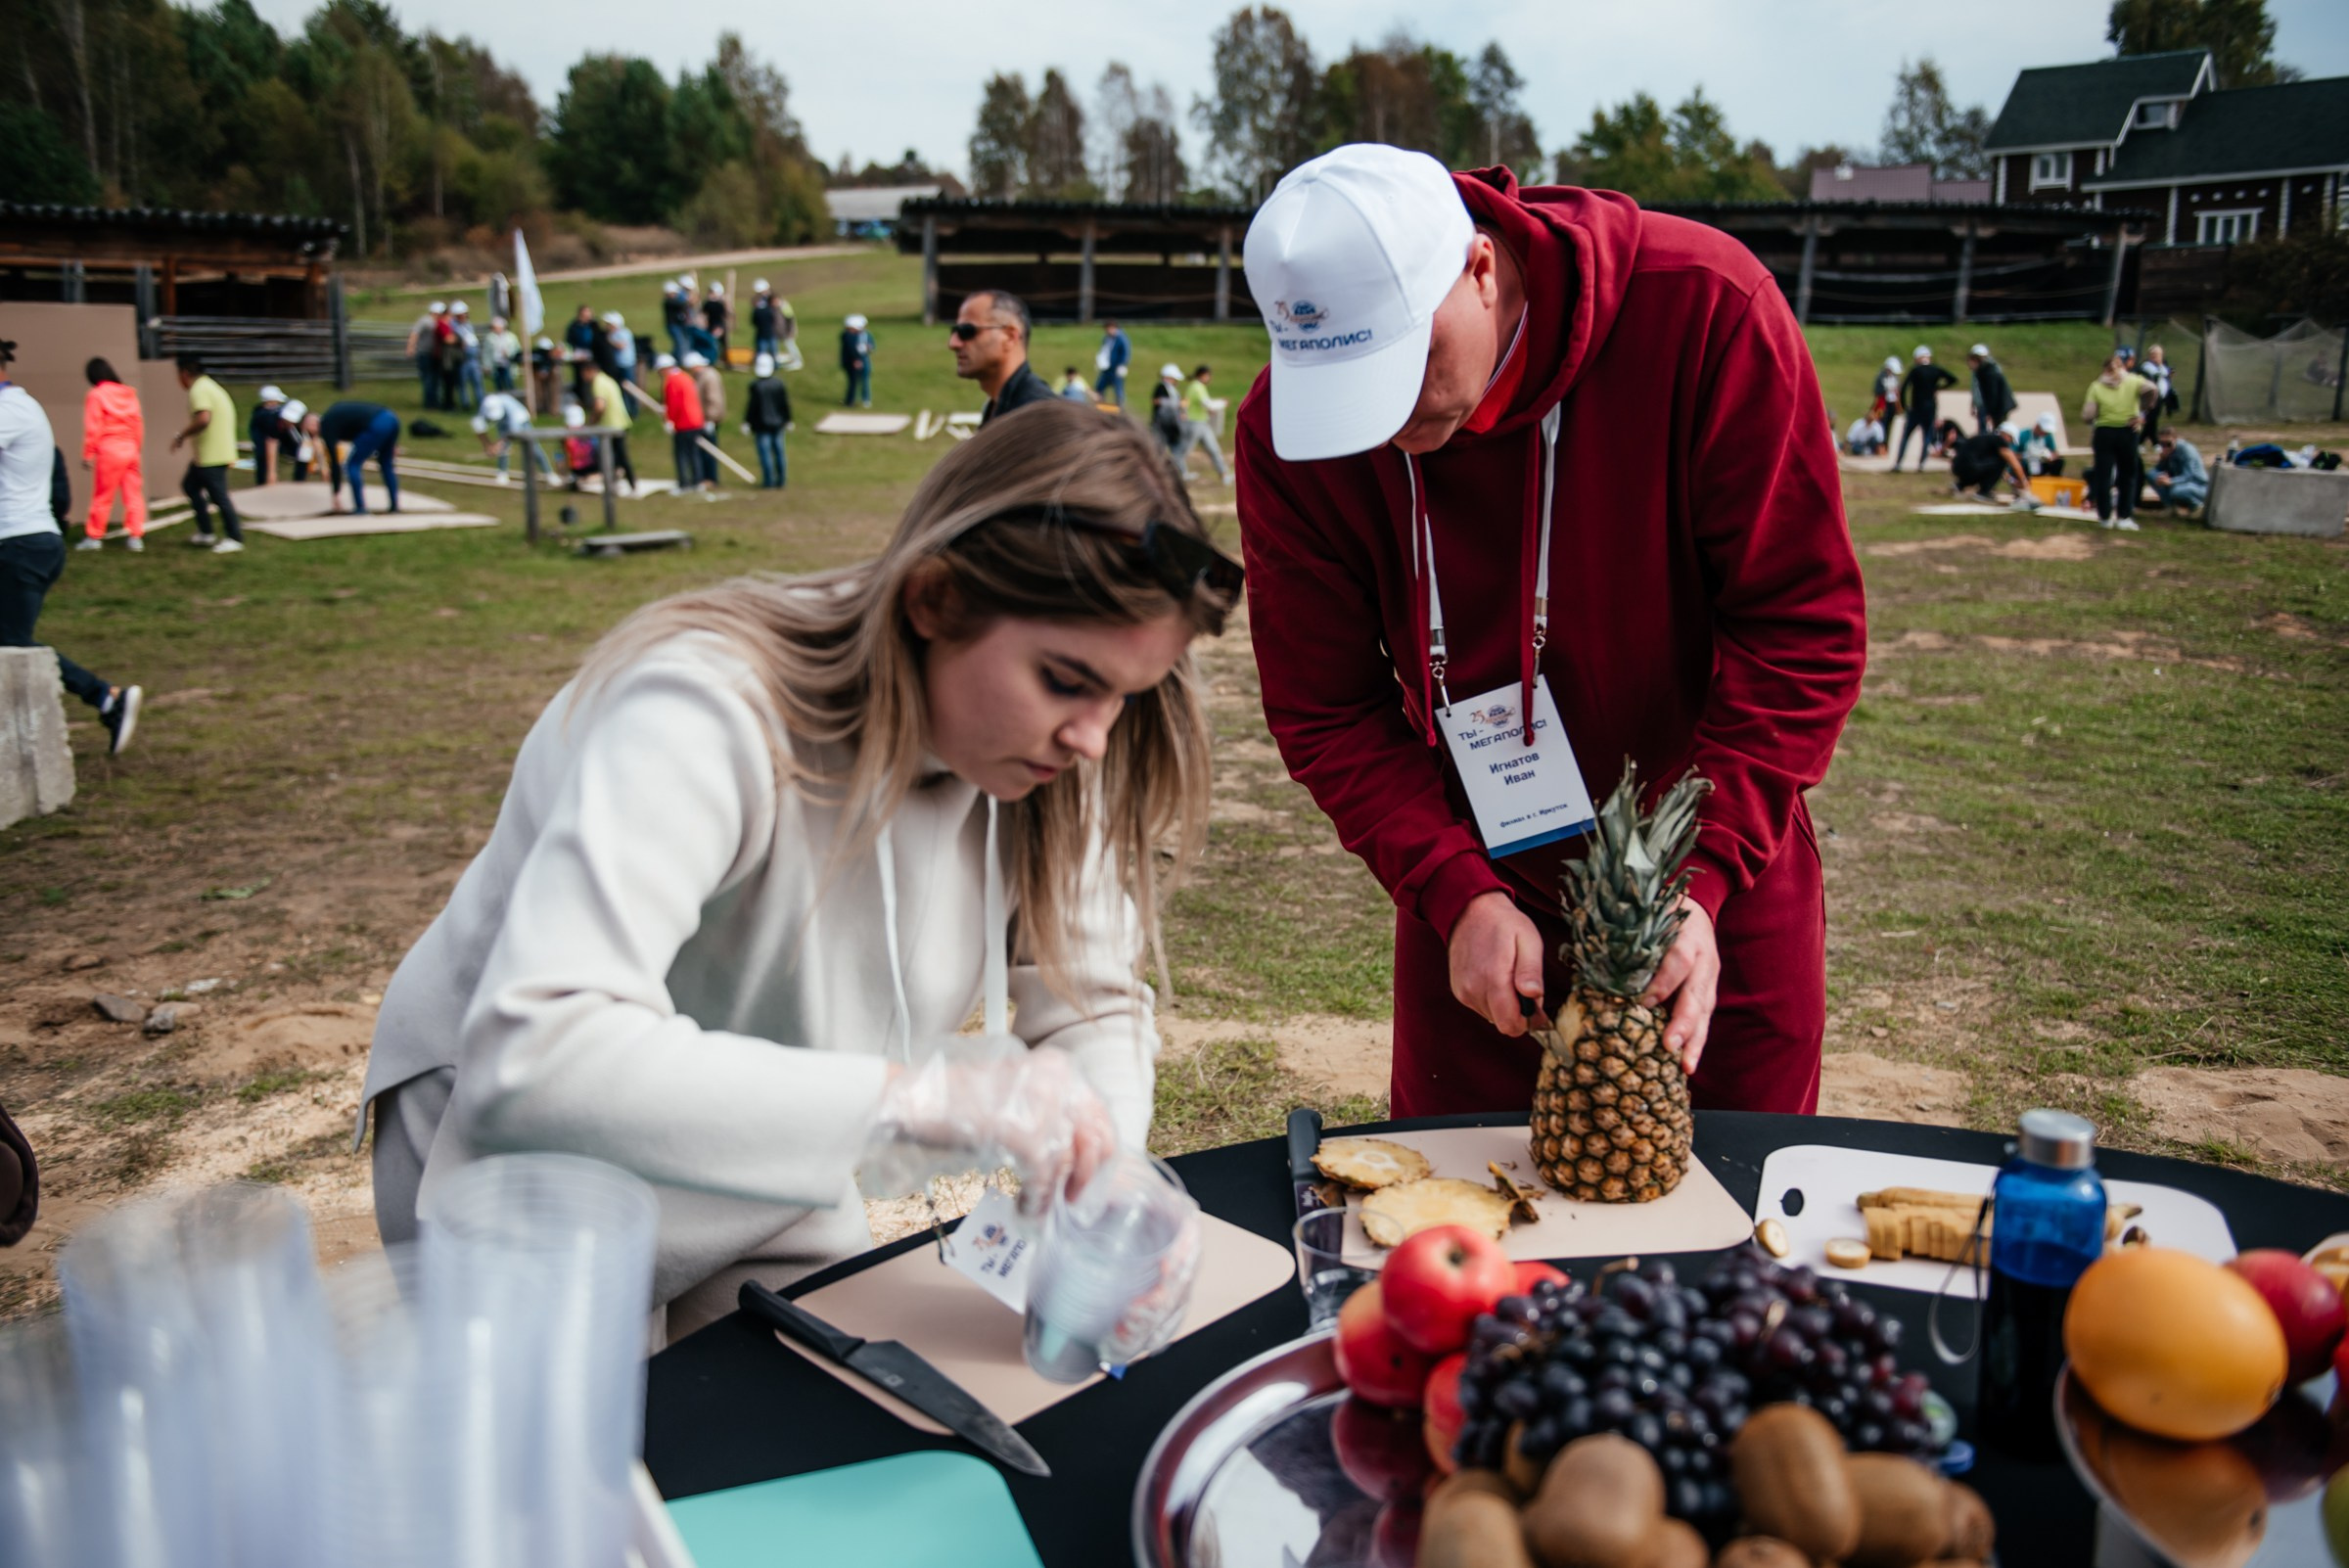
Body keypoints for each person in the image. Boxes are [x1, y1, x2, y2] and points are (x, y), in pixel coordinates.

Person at [356, 401, 1237, 1338]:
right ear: (934, 598)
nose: (1095, 737)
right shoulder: (702, 709)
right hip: (523, 1163)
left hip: (775, 1152)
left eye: (1123, 694)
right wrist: (930, 1102)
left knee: (808, 1431)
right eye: (1065, 679)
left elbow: (1091, 998)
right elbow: (538, 1057)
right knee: (574, 1466)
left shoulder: (1064, 740)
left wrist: (1104, 1178)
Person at [1235, 144, 1865, 1120]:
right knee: (1470, 1233)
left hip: (1714, 879)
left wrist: (1702, 877)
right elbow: (1324, 708)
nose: (1385, 416)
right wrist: (1453, 889)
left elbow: (1801, 627)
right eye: (1350, 384)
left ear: (1481, 268)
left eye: (1405, 364)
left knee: (1735, 1242)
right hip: (1478, 893)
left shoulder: (1707, 308)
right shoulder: (1293, 435)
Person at [0, 340, 141, 754]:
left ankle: (104, 696)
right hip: (23, 542)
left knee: (11, 644)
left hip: (20, 545)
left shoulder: (11, 410)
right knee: (9, 642)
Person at [170, 353, 245, 554]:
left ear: (184, 373)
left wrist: (182, 435)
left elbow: (203, 418)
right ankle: (206, 532)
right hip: (210, 454)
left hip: (212, 455)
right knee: (190, 486)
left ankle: (234, 537)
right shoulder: (209, 385)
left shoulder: (199, 390)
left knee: (219, 496)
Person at [952, 290, 1052, 424]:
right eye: (955, 332)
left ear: (1010, 337)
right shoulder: (1000, 406)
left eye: (967, 331)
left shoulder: (1039, 415)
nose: (953, 343)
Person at [80, 358, 146, 550]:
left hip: (109, 450)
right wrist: (136, 447)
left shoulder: (96, 395)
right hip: (131, 449)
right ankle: (136, 537)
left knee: (103, 496)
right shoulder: (129, 393)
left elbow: (93, 427)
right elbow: (137, 424)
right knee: (133, 495)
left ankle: (94, 537)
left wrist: (87, 454)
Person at [2082, 350, 2150, 531]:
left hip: (2104, 432)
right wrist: (2142, 412)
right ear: (2121, 366)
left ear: (2104, 369)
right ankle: (2124, 517)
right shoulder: (2134, 380)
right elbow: (2153, 390)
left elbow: (2087, 414)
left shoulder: (2096, 386)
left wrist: (2094, 420)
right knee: (2127, 475)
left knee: (2103, 475)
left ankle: (2104, 517)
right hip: (2128, 430)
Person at [305, 401, 402, 515]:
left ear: (313, 424)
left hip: (376, 424)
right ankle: (395, 506)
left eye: (309, 430)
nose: (312, 435)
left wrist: (336, 492)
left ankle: (360, 508)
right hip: (391, 418)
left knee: (352, 464)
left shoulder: (327, 425)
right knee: (386, 463)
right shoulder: (334, 415)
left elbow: (334, 462)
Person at [1892, 346, 1957, 471]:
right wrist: (1939, 387)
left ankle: (1898, 463)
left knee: (1906, 436)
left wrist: (1904, 406)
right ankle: (1921, 464)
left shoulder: (1915, 370)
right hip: (1930, 408)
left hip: (1916, 408)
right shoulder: (1935, 370)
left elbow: (1904, 387)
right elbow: (1953, 379)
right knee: (1926, 436)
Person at [1949, 422, 2038, 506]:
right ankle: (1983, 492)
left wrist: (2013, 481)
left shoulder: (1987, 438)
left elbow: (1995, 470)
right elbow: (2014, 464)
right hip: (1970, 466)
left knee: (1989, 464)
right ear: (2007, 435)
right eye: (2011, 439)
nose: (2009, 443)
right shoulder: (1999, 440)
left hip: (1958, 467)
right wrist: (2025, 484)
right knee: (2002, 460)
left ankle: (1960, 485)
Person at [473, 389, 549, 483]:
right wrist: (488, 445)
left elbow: (513, 431)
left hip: (522, 421)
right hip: (505, 422)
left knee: (534, 447)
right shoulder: (486, 405)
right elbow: (478, 426)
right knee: (503, 449)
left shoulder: (512, 410)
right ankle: (502, 473)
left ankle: (548, 473)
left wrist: (498, 444)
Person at [585, 361, 639, 493]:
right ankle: (628, 483)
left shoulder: (598, 382)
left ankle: (621, 484)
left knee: (611, 455)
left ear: (589, 371)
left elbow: (599, 406)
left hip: (611, 425)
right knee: (618, 455)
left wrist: (592, 422)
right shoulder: (607, 379)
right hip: (621, 422)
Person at [660, 353, 707, 494]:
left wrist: (670, 420)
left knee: (681, 454)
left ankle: (684, 484)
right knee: (694, 453)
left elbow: (674, 403)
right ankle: (698, 481)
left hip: (684, 422)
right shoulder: (686, 377)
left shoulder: (672, 381)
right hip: (696, 420)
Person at [746, 352, 793, 489]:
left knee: (766, 453)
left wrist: (748, 421)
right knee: (779, 452)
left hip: (762, 424)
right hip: (778, 423)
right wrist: (788, 419)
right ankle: (781, 480)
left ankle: (769, 481)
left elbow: (753, 407)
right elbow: (784, 404)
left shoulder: (756, 386)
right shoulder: (779, 384)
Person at [1176, 366, 1231, 484]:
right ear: (1203, 375)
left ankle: (1224, 475)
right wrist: (1223, 403)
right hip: (1193, 424)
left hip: (1202, 423)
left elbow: (1202, 405)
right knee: (1182, 452)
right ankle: (1177, 474)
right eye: (1208, 376)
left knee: (1214, 449)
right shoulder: (1197, 387)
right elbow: (1208, 404)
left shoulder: (1196, 386)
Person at [249, 384, 306, 485]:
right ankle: (262, 483)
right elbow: (271, 443)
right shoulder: (267, 418)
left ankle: (299, 481)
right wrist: (272, 473)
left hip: (278, 435)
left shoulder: (300, 421)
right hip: (263, 436)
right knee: (262, 456)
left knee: (302, 450)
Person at [2146, 429, 2207, 513]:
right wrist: (2163, 460)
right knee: (2151, 474)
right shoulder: (2167, 451)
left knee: (2177, 491)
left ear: (2175, 440)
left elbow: (2189, 475)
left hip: (2197, 485)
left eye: (2168, 444)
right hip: (2178, 482)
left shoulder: (2187, 451)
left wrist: (2170, 481)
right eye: (2161, 444)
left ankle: (2197, 506)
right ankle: (2171, 507)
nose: (2165, 447)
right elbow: (2159, 469)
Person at [690, 351, 727, 488]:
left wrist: (711, 419)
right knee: (703, 450)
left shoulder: (709, 377)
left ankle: (711, 478)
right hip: (703, 419)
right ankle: (705, 477)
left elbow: (714, 399)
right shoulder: (701, 376)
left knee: (709, 451)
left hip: (709, 419)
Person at [1967, 343, 2014, 435]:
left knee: (1997, 429)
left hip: (1994, 406)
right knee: (1984, 429)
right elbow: (1975, 389)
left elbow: (1992, 393)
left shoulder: (1990, 371)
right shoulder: (1979, 371)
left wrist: (1990, 412)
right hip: (1984, 404)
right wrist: (1973, 404)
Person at [407, 302, 445, 409]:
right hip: (424, 353)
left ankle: (436, 401)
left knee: (436, 379)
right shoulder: (425, 320)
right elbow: (415, 333)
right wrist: (411, 347)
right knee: (428, 379)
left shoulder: (438, 321)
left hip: (435, 354)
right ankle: (429, 403)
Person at [451, 300, 484, 412]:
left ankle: (481, 402)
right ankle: (465, 404)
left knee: (477, 382)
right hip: (463, 359)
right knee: (462, 384)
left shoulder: (468, 325)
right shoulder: (453, 326)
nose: (465, 316)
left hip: (473, 358)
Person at [2141, 344, 2176, 445]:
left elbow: (2166, 376)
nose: (2156, 357)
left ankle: (2144, 442)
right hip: (2151, 397)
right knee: (2151, 420)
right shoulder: (2147, 366)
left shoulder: (2162, 366)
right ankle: (2154, 442)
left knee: (2152, 420)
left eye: (2159, 355)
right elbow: (2156, 375)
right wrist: (2166, 374)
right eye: (2154, 355)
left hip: (2161, 398)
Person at [1149, 362, 1184, 460]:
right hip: (1161, 423)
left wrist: (1181, 412)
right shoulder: (1161, 387)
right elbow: (1156, 400)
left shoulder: (1173, 390)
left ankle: (1181, 472)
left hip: (1172, 424)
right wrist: (1177, 404)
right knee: (1159, 447)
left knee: (1175, 448)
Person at [1094, 320, 1131, 408]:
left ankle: (1120, 407)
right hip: (1106, 368)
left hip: (1116, 368)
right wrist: (1099, 361)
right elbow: (1104, 351)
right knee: (1099, 387)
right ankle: (1099, 404)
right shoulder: (1106, 338)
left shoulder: (1122, 338)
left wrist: (1122, 365)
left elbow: (1126, 352)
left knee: (1118, 388)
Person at [2014, 411, 2063, 477]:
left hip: (2040, 463)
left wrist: (2049, 456)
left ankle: (2054, 481)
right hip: (2025, 466)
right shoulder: (2022, 435)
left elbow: (2054, 452)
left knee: (2059, 462)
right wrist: (2025, 455)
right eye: (2044, 430)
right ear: (2037, 425)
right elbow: (2012, 454)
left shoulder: (2048, 436)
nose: (2045, 433)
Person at [841, 314, 874, 407]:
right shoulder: (848, 336)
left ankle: (865, 399)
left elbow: (871, 345)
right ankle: (850, 401)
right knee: (853, 382)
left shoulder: (865, 335)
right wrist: (856, 360)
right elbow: (851, 350)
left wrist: (868, 347)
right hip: (852, 362)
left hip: (864, 359)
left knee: (865, 380)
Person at [484, 314, 522, 393]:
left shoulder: (511, 337)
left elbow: (517, 349)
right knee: (498, 385)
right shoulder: (490, 337)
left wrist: (508, 353)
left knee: (509, 382)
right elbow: (486, 353)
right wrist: (486, 365)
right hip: (496, 364)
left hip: (507, 363)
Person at [604, 311, 637, 387]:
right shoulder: (612, 334)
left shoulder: (624, 333)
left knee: (628, 386)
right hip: (618, 364)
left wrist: (608, 340)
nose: (607, 326)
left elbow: (621, 346)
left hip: (626, 364)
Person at [1866, 356, 1901, 425]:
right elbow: (1878, 391)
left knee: (1889, 422)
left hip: (1891, 404)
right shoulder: (1881, 377)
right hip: (1882, 404)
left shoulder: (1894, 378)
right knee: (1881, 421)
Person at [751, 283, 781, 361]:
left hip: (770, 332)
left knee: (773, 351)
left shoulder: (771, 301)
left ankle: (774, 366)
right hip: (763, 332)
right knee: (762, 352)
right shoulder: (757, 306)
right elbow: (754, 321)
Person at [663, 281, 692, 357]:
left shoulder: (673, 301)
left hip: (678, 325)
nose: (675, 295)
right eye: (674, 293)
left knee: (682, 342)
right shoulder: (669, 302)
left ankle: (675, 357)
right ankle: (679, 359)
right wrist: (689, 301)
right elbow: (681, 305)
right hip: (673, 326)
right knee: (680, 343)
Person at [703, 282, 730, 362]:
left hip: (718, 326)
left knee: (721, 343)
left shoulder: (718, 304)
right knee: (715, 343)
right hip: (714, 326)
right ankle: (717, 358)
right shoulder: (710, 303)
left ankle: (724, 358)